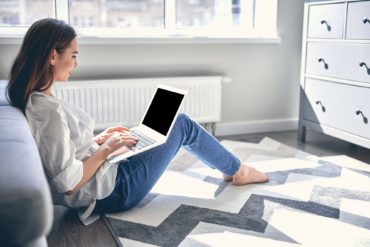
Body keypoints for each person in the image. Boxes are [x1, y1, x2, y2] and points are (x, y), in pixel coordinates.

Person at [6, 18, 268, 225]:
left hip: (106, 175)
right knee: (182, 123)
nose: (76, 63)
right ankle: (237, 170)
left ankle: (228, 167)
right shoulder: (45, 109)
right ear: (53, 56)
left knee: (147, 133)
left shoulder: (39, 101)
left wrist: (100, 140)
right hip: (115, 192)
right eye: (73, 55)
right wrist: (107, 149)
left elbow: (62, 153)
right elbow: (68, 182)